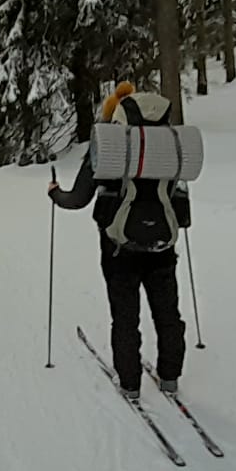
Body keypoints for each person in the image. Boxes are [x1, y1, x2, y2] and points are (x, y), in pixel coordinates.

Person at [48, 81, 187, 400]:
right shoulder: (169, 145)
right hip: (163, 244)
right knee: (167, 313)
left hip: (118, 246)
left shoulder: (108, 146)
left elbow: (78, 198)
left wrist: (55, 194)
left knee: (126, 317)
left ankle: (130, 384)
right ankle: (170, 378)